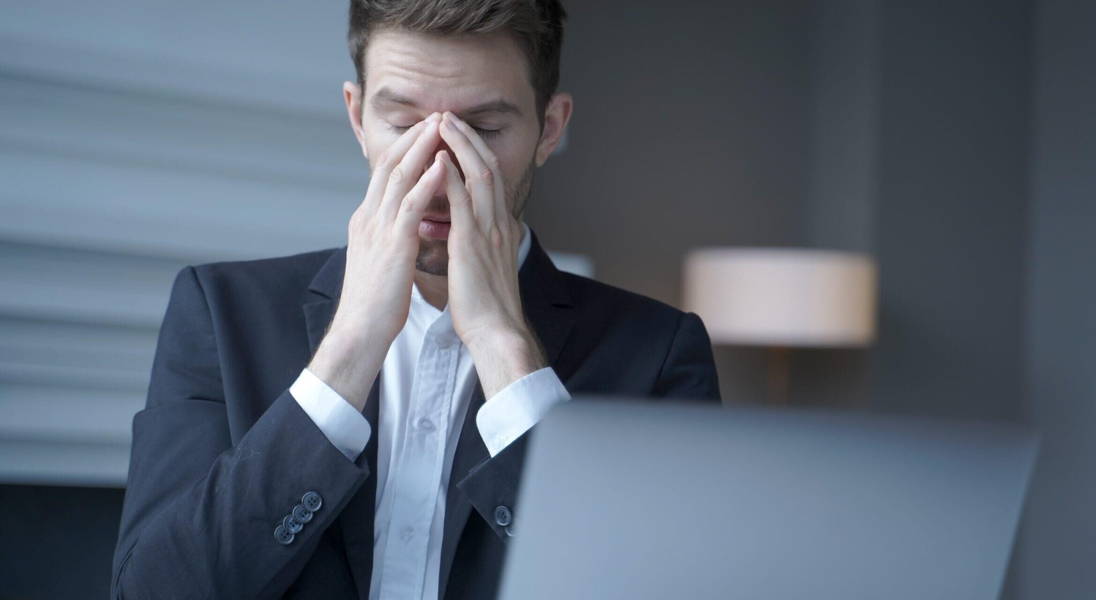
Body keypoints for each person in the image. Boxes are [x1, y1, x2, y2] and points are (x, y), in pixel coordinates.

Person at [110, 1, 721, 598]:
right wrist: (347, 351)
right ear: (356, 118)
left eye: (482, 130)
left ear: (549, 129)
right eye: (404, 125)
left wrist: (507, 353)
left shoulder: (661, 354)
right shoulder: (219, 313)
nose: (437, 170)